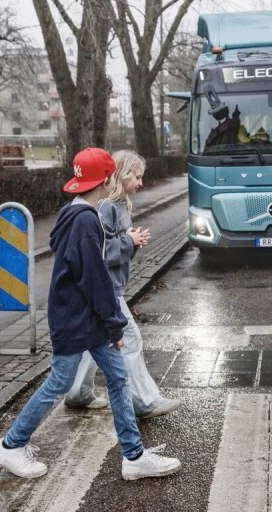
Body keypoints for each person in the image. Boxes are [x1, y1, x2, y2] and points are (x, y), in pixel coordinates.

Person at [0, 147, 181, 481]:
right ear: (106, 180)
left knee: (119, 377)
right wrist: (114, 323)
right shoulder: (85, 221)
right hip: (77, 320)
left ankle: (133, 456)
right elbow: (94, 279)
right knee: (59, 382)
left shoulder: (75, 213)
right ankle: (11, 445)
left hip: (84, 319)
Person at [64, 150, 181, 419]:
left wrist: (132, 241)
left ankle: (77, 393)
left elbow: (112, 248)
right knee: (130, 340)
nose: (140, 182)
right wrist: (130, 241)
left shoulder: (117, 205)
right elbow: (98, 254)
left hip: (104, 288)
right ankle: (143, 401)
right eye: (137, 176)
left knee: (94, 342)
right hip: (105, 289)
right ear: (122, 174)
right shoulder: (106, 207)